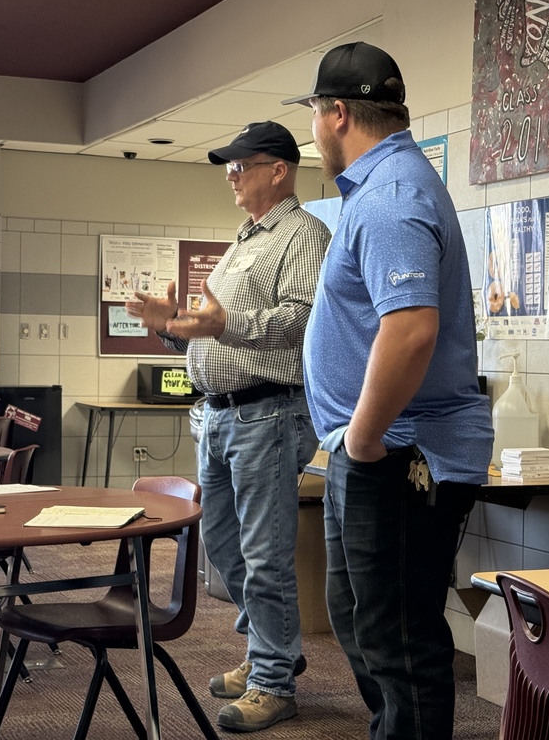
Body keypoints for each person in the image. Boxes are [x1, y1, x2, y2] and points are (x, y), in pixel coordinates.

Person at [282, 42, 494, 739]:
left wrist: (366, 437)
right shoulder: (381, 189)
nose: (314, 131)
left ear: (337, 113)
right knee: (358, 616)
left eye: (315, 114)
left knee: (399, 635)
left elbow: (410, 333)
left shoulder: (392, 196)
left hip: (400, 453)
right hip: (374, 451)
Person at [125, 120, 330, 733]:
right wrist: (171, 326)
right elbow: (213, 325)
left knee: (264, 555)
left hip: (267, 411)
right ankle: (275, 650)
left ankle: (273, 680)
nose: (231, 175)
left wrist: (217, 325)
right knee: (220, 548)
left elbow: (299, 320)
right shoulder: (245, 238)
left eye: (242, 165)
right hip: (216, 414)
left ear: (280, 170)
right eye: (228, 166)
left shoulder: (304, 234)